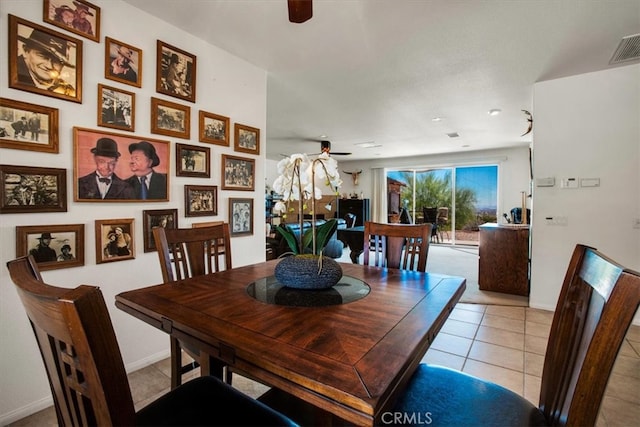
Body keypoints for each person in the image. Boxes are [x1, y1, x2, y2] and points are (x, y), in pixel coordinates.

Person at [16, 28, 75, 96]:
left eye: (56, 61)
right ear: (25, 50)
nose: (49, 66)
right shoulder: (10, 74)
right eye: (43, 56)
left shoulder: (67, 91)